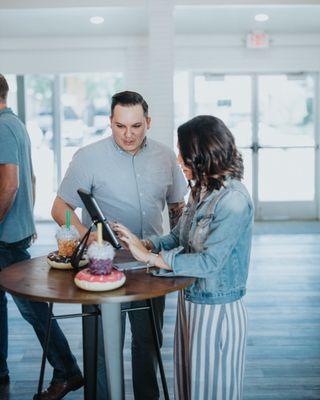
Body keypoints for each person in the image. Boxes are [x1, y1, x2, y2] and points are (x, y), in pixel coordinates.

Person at [51, 90, 187, 400]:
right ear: (110, 122)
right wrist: (91, 240)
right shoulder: (88, 157)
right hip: (102, 269)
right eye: (120, 126)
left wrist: (178, 256)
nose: (128, 134)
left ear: (148, 122)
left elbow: (178, 208)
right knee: (101, 350)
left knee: (148, 345)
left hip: (151, 268)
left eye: (136, 126)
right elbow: (60, 210)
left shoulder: (165, 156)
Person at [114, 115, 254, 400]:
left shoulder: (234, 201)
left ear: (204, 157)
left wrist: (151, 258)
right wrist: (144, 244)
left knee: (212, 392)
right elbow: (178, 237)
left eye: (184, 154)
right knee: (190, 388)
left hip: (217, 311)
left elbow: (209, 263)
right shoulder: (203, 188)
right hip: (190, 302)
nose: (179, 160)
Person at [0, 74, 83, 400]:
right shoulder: (15, 124)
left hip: (5, 237)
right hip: (13, 231)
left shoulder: (3, 127)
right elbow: (29, 176)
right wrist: (27, 217)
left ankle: (68, 372)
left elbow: (10, 184)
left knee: (34, 310)